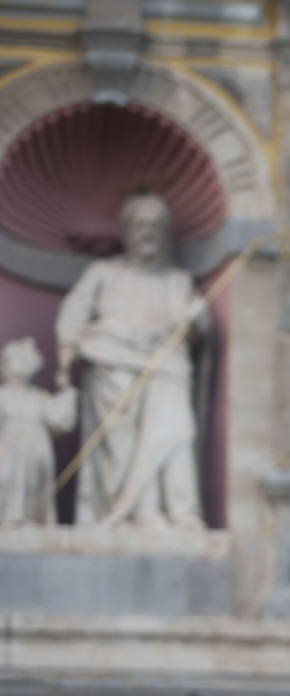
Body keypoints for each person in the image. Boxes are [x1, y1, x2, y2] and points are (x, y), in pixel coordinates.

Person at [55, 191, 207, 529]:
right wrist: (67, 354)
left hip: (166, 365)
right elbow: (74, 311)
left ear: (166, 233)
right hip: (112, 360)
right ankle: (133, 513)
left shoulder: (178, 280)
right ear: (126, 232)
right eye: (139, 224)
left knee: (176, 432)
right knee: (120, 442)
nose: (147, 231)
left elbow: (194, 331)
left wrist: (198, 318)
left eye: (155, 225)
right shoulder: (103, 272)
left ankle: (181, 512)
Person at [0, 336, 76, 525]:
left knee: (33, 484)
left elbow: (60, 420)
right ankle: (8, 517)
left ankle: (30, 518)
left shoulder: (39, 397)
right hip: (8, 448)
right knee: (7, 478)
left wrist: (67, 393)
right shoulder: (3, 396)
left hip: (36, 448)